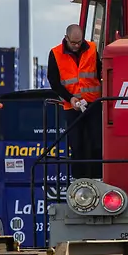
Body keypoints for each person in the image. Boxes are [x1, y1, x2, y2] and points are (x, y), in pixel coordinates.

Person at [47, 24, 103, 179]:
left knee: (97, 142)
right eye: (73, 43)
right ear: (66, 38)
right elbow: (54, 81)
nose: (77, 46)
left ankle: (98, 176)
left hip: (93, 103)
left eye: (79, 43)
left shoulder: (92, 48)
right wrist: (69, 98)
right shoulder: (56, 53)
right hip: (71, 105)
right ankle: (79, 180)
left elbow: (99, 70)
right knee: (76, 144)